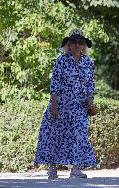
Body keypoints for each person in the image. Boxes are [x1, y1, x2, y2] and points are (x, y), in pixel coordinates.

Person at [34, 29, 96, 179]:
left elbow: (90, 85)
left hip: (80, 106)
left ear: (83, 45)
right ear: (68, 45)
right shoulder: (61, 61)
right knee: (56, 135)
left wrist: (90, 102)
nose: (76, 45)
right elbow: (54, 85)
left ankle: (75, 168)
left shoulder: (88, 62)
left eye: (79, 42)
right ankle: (52, 168)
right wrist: (54, 106)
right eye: (73, 42)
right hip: (61, 104)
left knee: (79, 135)